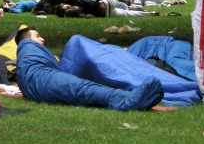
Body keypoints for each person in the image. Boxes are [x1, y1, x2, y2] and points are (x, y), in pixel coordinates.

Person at [15, 27, 164, 111]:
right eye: (38, 36)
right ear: (27, 40)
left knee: (81, 89)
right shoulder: (28, 49)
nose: (42, 39)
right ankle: (125, 101)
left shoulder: (30, 55)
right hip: (43, 79)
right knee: (82, 88)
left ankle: (125, 96)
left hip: (40, 81)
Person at [56, 0, 159, 18]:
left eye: (67, 6)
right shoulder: (74, 12)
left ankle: (150, 12)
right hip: (108, 8)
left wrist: (99, 0)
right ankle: (152, 13)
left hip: (105, 4)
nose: (69, 7)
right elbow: (81, 15)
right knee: (129, 14)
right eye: (67, 8)